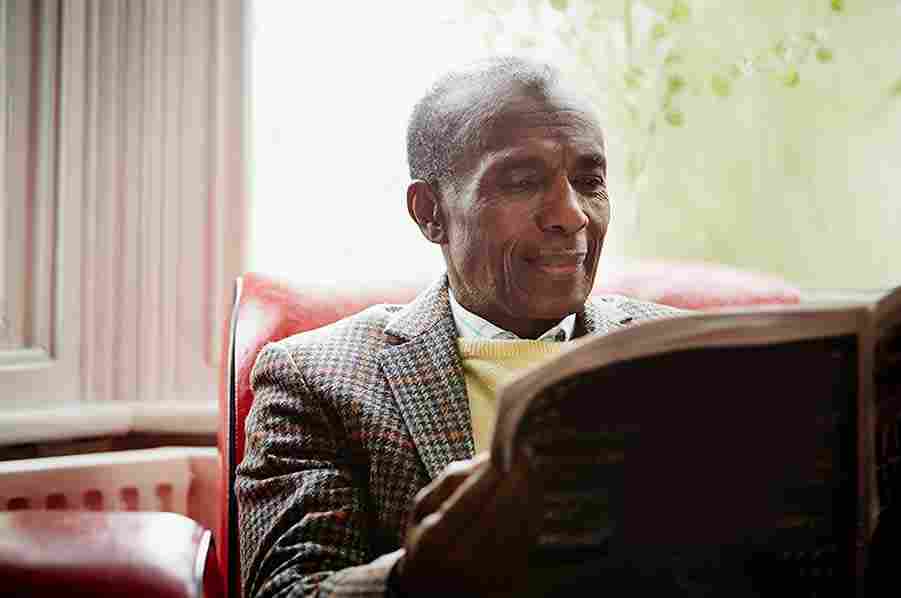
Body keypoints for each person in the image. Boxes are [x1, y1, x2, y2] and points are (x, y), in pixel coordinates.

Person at [236, 56, 681, 597]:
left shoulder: (683, 356)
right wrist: (420, 574)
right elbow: (290, 591)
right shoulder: (317, 380)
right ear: (430, 213)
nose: (572, 214)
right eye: (522, 181)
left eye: (589, 181)